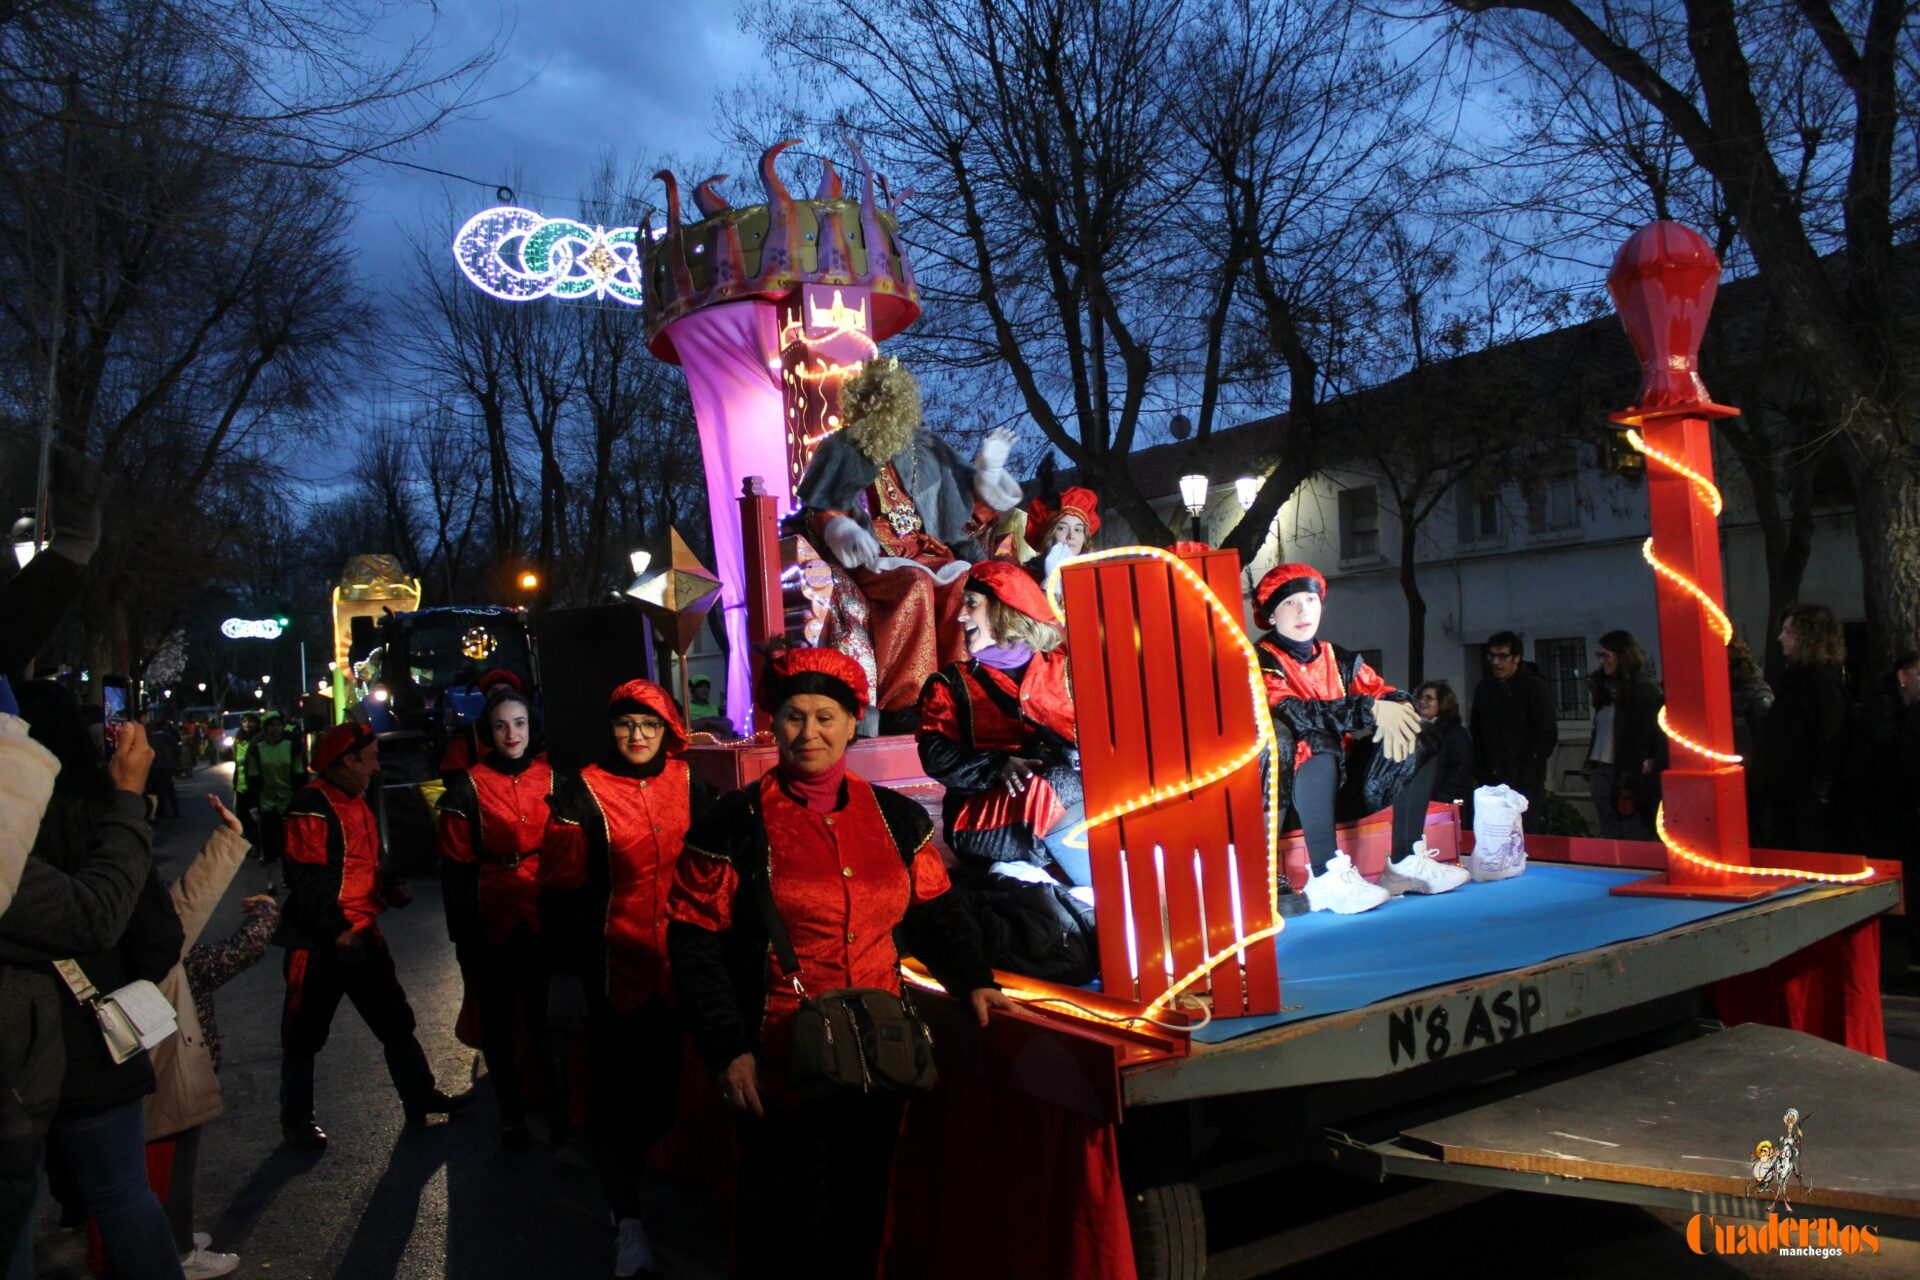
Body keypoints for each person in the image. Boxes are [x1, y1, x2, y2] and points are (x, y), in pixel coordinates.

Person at [668, 648, 1010, 1279]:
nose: (810, 733)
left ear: (854, 723)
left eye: (826, 716)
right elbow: (695, 943)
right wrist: (726, 1048)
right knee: (783, 1220)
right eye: (794, 717)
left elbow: (935, 910)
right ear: (774, 725)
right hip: (777, 1057)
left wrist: (974, 980)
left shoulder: (899, 817)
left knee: (862, 1206)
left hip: (879, 1052)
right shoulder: (731, 824)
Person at [539, 679, 715, 1276]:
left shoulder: (691, 782)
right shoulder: (581, 792)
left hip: (685, 968)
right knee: (620, 1102)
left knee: (668, 1099)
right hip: (615, 974)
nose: (637, 737)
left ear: (667, 728)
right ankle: (627, 1219)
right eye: (625, 726)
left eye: (650, 726)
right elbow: (561, 896)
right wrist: (565, 975)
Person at [0, 691, 168, 1280]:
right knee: (119, 1194)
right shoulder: (89, 817)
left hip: (46, 1053)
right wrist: (127, 801)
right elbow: (126, 925)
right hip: (73, 1048)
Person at [797, 358, 1023, 729]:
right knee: (914, 586)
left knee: (962, 585)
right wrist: (841, 529)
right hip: (874, 555)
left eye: (890, 398)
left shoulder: (927, 449)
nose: (882, 406)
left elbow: (966, 514)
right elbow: (822, 507)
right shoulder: (842, 447)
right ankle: (908, 702)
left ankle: (961, 692)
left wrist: (989, 472)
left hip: (928, 550)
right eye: (873, 398)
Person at [277, 722, 473, 1151]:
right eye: (371, 758)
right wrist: (338, 931)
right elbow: (306, 879)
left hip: (362, 933)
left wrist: (388, 884)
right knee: (303, 1033)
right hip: (323, 942)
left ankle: (419, 1096)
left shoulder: (353, 798)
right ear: (347, 761)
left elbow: (364, 856)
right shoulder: (311, 805)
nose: (376, 766)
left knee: (394, 1020)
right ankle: (297, 1120)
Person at [1253, 564, 1467, 915]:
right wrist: (1370, 710)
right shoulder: (1260, 662)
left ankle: (1405, 861)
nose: (1304, 610)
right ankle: (1324, 875)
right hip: (1295, 795)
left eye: (1310, 598)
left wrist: (1397, 706)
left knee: (1422, 733)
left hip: (1346, 783)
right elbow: (1295, 712)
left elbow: (1385, 692)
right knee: (1317, 739)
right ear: (1271, 614)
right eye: (1290, 602)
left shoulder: (1340, 658)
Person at [437, 686, 560, 1151]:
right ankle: (510, 1116)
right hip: (492, 917)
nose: (512, 734)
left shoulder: (552, 779)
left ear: (532, 725)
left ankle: (555, 1108)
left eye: (520, 723)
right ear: (489, 732)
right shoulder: (467, 788)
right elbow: (456, 869)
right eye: (502, 725)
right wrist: (464, 936)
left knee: (543, 1017)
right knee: (499, 1021)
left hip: (542, 913)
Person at [916, 560, 1086, 884]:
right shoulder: (950, 684)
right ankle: (1100, 888)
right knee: (1050, 783)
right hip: (980, 820)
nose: (960, 615)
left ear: (1004, 608)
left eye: (971, 604)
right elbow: (934, 754)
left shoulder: (1067, 672)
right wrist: (998, 766)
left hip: (1069, 802)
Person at [144, 795, 251, 1280]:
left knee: (175, 1138)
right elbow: (179, 919)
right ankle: (176, 1249)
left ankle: (177, 1238)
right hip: (147, 1040)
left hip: (155, 1036)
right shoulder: (113, 877)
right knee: (170, 1142)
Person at [1759, 605, 1850, 852]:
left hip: (1806, 806)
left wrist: (1818, 794)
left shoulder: (1819, 684)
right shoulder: (1799, 681)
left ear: (1809, 637)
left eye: (1789, 631)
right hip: (1792, 799)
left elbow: (1831, 740)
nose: (1781, 638)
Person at [1469, 630, 1559, 832]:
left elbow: (1546, 732)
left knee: (1522, 834)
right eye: (1491, 656)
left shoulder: (1534, 686)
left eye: (1502, 656)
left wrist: (1529, 768)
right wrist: (1481, 769)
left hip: (1525, 780)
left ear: (1516, 658)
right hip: (1491, 778)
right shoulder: (1484, 688)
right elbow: (1477, 730)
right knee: (1492, 834)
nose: (1496, 662)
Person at [1582, 631, 1663, 840]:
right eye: (1598, 656)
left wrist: (1637, 770)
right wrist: (1590, 766)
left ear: (1622, 656)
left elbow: (1644, 734)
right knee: (1610, 831)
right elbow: (1599, 729)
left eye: (1606, 656)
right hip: (1603, 768)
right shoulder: (1606, 688)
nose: (1601, 661)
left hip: (1627, 772)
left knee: (1631, 832)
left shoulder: (1642, 689)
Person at [244, 711, 304, 891]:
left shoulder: (291, 746)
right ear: (265, 728)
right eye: (271, 725)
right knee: (270, 843)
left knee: (289, 843)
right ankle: (271, 880)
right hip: (267, 802)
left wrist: (300, 798)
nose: (275, 728)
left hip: (289, 800)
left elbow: (298, 773)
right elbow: (253, 776)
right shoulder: (257, 748)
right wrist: (254, 804)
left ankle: (289, 876)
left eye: (278, 724)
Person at [1727, 635, 1774, 839]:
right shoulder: (1736, 691)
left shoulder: (1754, 692)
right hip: (1738, 778)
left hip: (1749, 781)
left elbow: (1764, 738)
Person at [1413, 681, 1474, 812]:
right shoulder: (1413, 729)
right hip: (1418, 799)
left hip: (1446, 801)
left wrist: (1442, 795)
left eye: (1429, 698)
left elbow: (1462, 767)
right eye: (1420, 697)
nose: (1422, 701)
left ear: (1442, 703)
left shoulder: (1455, 732)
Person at [1021, 485, 1100, 584]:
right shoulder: (1026, 578)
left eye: (1078, 529)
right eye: (1062, 528)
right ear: (1049, 536)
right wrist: (1051, 582)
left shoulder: (1096, 575)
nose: (1071, 536)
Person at [229, 713, 260, 844]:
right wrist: (235, 783)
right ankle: (252, 841)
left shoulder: (260, 740)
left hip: (255, 785)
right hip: (241, 785)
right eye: (245, 721)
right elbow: (237, 764)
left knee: (258, 816)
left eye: (251, 721)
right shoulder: (238, 740)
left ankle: (259, 844)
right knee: (241, 815)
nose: (248, 724)